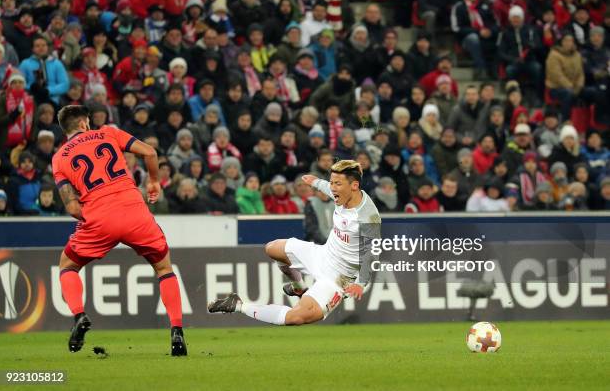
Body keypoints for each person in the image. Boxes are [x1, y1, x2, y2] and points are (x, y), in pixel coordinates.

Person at [51, 105, 186, 355]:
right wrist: (154, 181)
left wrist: (93, 218)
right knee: (164, 268)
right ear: (83, 123)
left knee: (67, 266)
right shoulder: (108, 134)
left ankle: (79, 315)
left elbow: (71, 206)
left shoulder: (59, 158)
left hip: (99, 216)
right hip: (135, 210)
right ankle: (177, 332)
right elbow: (149, 152)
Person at [208, 160, 381, 326]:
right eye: (331, 182)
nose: (332, 188)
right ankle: (299, 287)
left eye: (337, 184)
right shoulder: (342, 194)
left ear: (354, 186)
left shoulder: (368, 217)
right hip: (322, 254)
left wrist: (360, 283)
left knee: (295, 317)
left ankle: (238, 305)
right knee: (272, 249)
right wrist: (314, 181)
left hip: (338, 278)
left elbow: (372, 254)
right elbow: (326, 187)